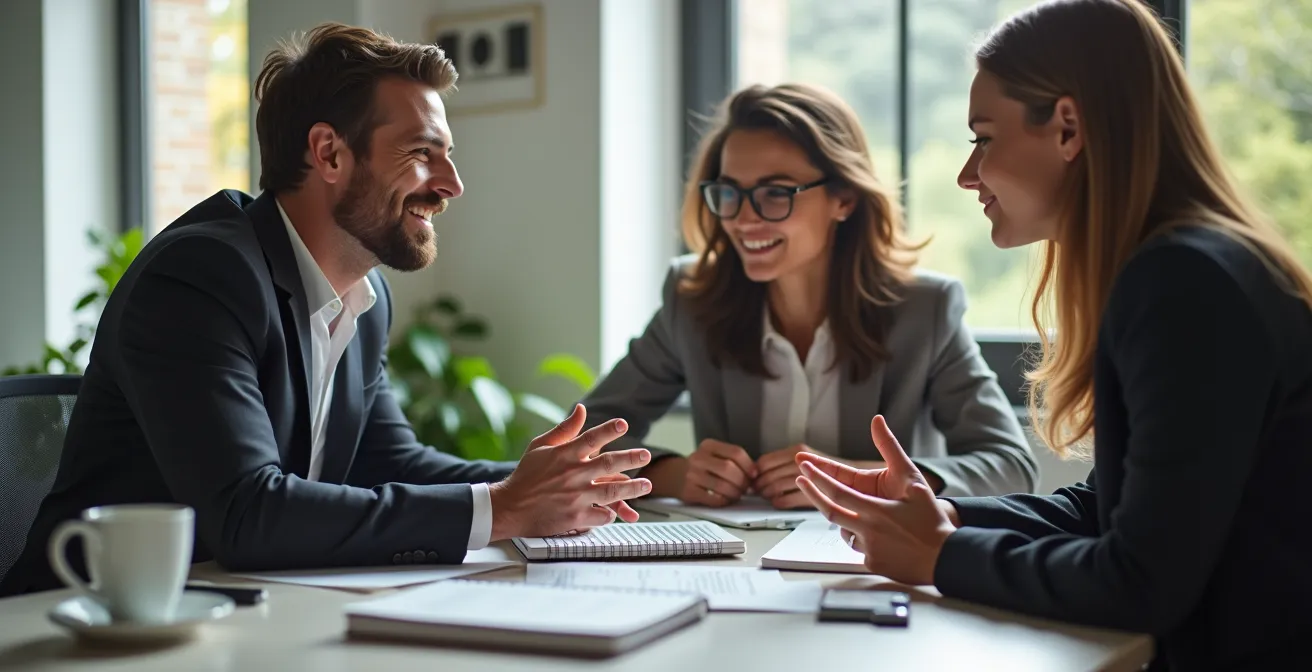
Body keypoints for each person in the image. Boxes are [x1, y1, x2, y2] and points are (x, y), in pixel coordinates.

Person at [0, 23, 653, 597]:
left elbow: (391, 462)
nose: (451, 184)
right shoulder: (201, 277)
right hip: (80, 629)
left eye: (447, 155)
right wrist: (503, 508)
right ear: (329, 153)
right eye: (421, 153)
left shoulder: (365, 298)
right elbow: (246, 513)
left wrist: (568, 482)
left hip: (235, 613)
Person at [793, 1, 1312, 669]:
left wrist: (941, 554)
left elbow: (1141, 583)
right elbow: (1105, 508)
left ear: (1068, 128)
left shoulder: (1184, 285)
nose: (967, 175)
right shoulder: (1187, 267)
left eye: (984, 138)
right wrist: (936, 514)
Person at [580, 83, 1037, 511]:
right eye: (729, 193)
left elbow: (1010, 467)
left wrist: (864, 478)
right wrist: (671, 474)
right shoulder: (693, 299)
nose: (743, 219)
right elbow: (580, 440)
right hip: (736, 559)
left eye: (775, 193)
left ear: (844, 199)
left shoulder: (925, 310)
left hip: (872, 558)